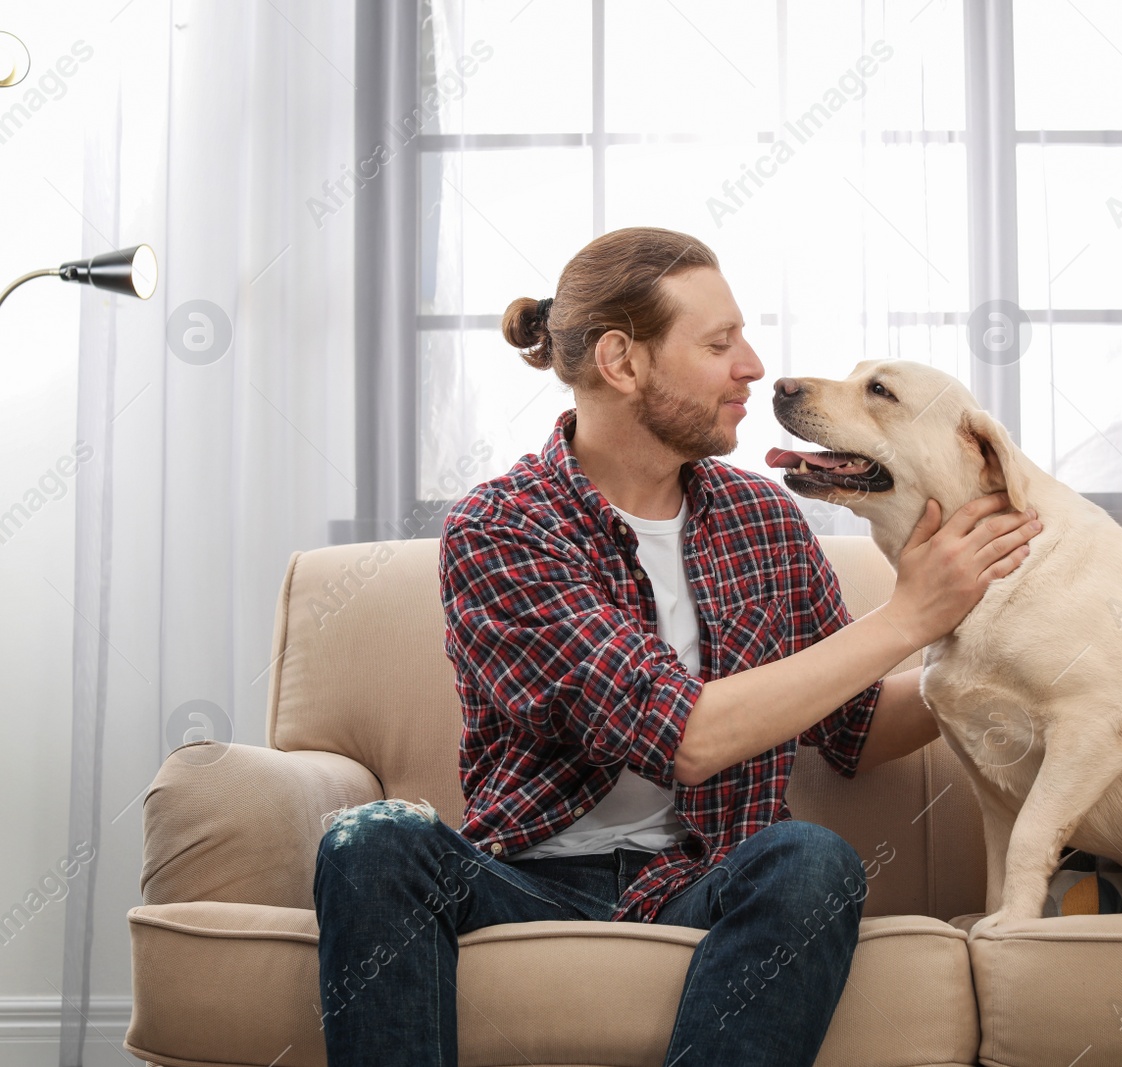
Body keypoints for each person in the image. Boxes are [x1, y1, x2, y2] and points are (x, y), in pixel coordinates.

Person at [311, 226, 1042, 1067]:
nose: (754, 367)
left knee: (810, 858)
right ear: (623, 362)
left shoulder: (762, 518)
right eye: (719, 343)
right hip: (526, 883)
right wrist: (909, 616)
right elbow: (684, 736)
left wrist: (1002, 657)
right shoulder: (503, 528)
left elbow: (855, 730)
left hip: (711, 878)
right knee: (371, 839)